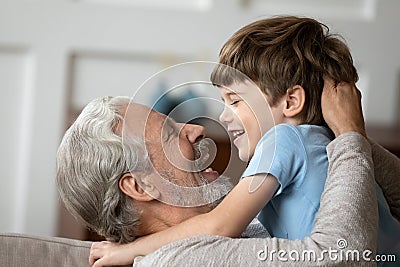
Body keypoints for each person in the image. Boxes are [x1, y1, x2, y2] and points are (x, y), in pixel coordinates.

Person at [87, 16, 400, 265]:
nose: (223, 117)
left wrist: (133, 250)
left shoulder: (282, 140)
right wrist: (350, 133)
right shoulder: (331, 143)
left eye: (234, 101)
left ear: (291, 102)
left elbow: (218, 225)